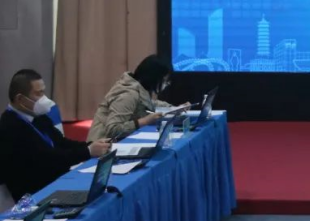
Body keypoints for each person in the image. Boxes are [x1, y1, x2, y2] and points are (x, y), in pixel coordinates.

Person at [0, 69, 111, 200]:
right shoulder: (9, 127)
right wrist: (88, 152)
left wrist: (91, 145)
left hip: (56, 180)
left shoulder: (37, 116)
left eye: (43, 92)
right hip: (36, 194)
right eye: (38, 93)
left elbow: (61, 142)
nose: (44, 98)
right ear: (20, 99)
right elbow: (48, 159)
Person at [88, 55, 184, 142]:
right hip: (101, 148)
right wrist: (144, 121)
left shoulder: (139, 89)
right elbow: (113, 129)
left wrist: (174, 108)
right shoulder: (128, 94)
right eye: (165, 80)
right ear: (154, 77)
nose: (167, 84)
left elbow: (149, 103)